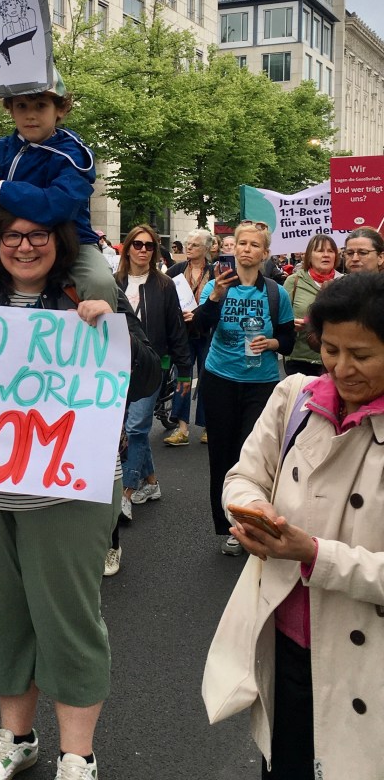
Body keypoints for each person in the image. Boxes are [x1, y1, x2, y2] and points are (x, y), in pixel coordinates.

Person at [0, 210, 160, 780]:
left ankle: (78, 755)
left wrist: (113, 330)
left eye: (38, 235)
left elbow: (150, 378)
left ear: (60, 241)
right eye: (12, 235)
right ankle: (17, 737)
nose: (25, 246)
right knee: (2, 619)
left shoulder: (88, 292)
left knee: (69, 621)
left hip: (70, 493)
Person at [222, 271, 384, 779]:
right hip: (287, 641)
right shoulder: (296, 397)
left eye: (361, 355)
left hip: (369, 663)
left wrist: (314, 554)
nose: (342, 368)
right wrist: (253, 512)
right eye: (331, 349)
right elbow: (244, 475)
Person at [0, 69, 117, 310]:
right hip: (15, 243)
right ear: (10, 109)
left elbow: (59, 205)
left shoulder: (73, 154)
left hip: (74, 244)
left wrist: (0, 189)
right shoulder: (0, 149)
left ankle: (105, 332)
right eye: (21, 106)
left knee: (100, 283)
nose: (30, 115)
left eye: (40, 105)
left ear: (60, 109)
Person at [195, 221, 295, 555]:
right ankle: (230, 525)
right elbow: (199, 327)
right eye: (242, 243)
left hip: (261, 384)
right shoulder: (218, 285)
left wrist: (272, 343)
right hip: (220, 380)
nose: (247, 249)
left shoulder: (276, 293)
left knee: (252, 457)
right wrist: (214, 298)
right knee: (221, 455)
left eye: (254, 245)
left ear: (265, 253)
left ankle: (254, 521)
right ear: (233, 248)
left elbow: (288, 341)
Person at [104, 224, 190, 576]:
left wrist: (184, 371)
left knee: (138, 426)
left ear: (156, 251)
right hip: (114, 364)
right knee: (128, 429)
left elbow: (176, 327)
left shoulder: (165, 285)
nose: (142, 250)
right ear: (126, 248)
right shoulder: (111, 282)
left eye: (149, 245)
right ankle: (151, 483)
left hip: (151, 364)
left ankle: (125, 494)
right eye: (136, 244)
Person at [165, 229, 217, 445]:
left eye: (195, 244)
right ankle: (182, 428)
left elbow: (220, 301)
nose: (189, 247)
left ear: (206, 248)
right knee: (182, 377)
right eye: (188, 243)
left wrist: (199, 314)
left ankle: (207, 426)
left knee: (208, 377)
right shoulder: (175, 271)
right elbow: (165, 298)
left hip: (207, 333)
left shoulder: (215, 272)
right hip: (183, 333)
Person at [282, 234, 341, 377]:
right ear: (309, 255)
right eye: (320, 251)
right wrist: (291, 324)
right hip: (299, 359)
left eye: (330, 251)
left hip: (337, 360)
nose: (326, 255)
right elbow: (280, 318)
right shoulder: (294, 281)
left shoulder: (345, 282)